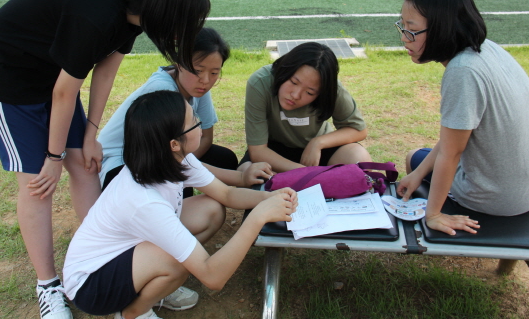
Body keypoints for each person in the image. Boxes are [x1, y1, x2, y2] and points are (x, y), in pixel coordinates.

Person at [0, 0, 210, 319]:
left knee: (86, 165)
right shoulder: (97, 15)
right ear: (163, 10)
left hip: (53, 76)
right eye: (183, 23)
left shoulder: (134, 13)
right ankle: (48, 285)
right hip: (8, 78)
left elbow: (105, 72)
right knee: (38, 184)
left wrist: (90, 135)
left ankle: (115, 263)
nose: (182, 34)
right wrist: (53, 157)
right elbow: (64, 93)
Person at [63, 90, 297, 319]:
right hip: (91, 284)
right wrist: (257, 217)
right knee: (177, 261)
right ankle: (132, 313)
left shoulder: (173, 158)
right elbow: (213, 278)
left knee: (211, 209)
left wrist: (270, 198)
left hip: (127, 251)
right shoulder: (144, 201)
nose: (199, 121)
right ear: (174, 143)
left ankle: (155, 281)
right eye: (193, 120)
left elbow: (226, 194)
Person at [395, 0, 529, 236]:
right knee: (420, 167)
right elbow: (456, 136)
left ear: (441, 28)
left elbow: (451, 152)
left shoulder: (462, 71)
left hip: (502, 198)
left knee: (413, 157)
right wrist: (420, 173)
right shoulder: (488, 49)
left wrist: (433, 215)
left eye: (411, 29)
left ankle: (438, 213)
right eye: (402, 26)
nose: (404, 38)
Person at [99, 27, 273, 194]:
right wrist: (239, 177)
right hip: (120, 163)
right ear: (179, 63)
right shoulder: (162, 90)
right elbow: (169, 158)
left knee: (223, 159)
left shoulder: (197, 87)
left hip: (165, 156)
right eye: (198, 70)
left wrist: (188, 165)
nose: (206, 80)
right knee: (180, 179)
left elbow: (205, 137)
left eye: (214, 73)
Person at [239, 42, 372, 173]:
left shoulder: (332, 89)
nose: (295, 95)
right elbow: (258, 151)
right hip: (273, 150)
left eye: (309, 92)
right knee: (249, 172)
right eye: (293, 82)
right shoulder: (260, 82)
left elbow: (358, 129)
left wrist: (317, 143)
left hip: (318, 151)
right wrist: (307, 173)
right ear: (284, 70)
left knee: (359, 159)